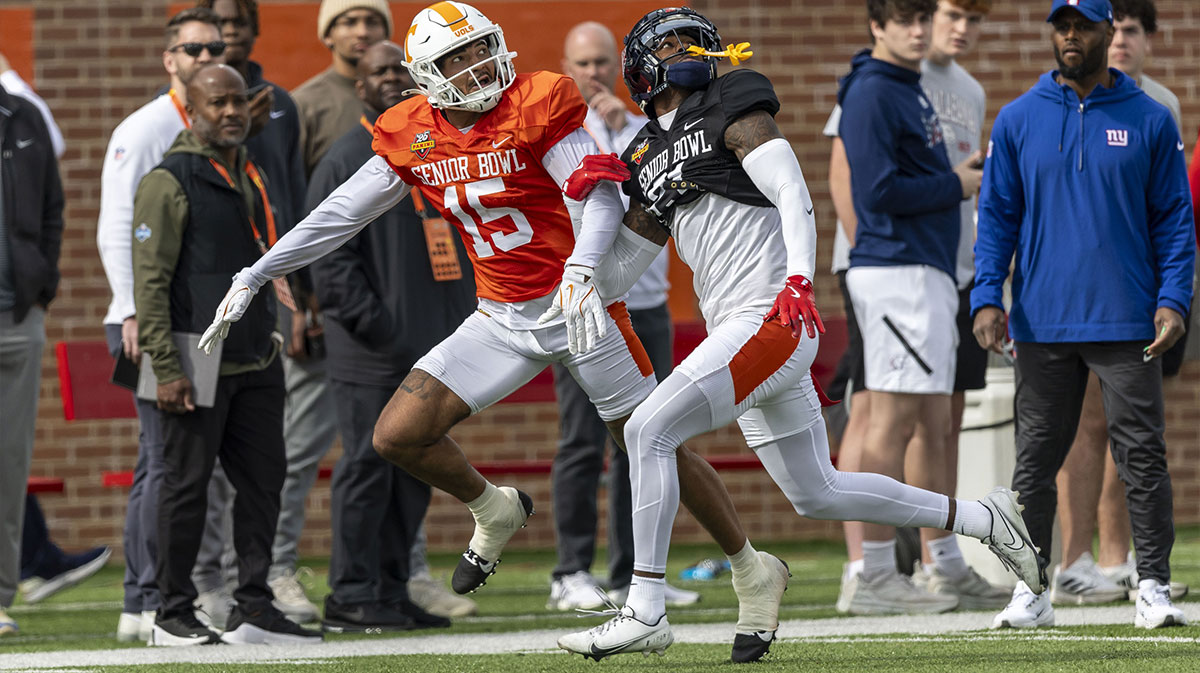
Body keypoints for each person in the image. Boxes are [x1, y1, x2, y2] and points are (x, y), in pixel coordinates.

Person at [199, 2, 787, 663]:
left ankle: (748, 565)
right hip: (501, 315)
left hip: (579, 306)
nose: (478, 65)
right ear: (429, 74)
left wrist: (585, 267)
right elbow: (338, 216)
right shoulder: (412, 132)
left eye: (481, 48)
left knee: (651, 441)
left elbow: (593, 194)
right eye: (458, 58)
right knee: (397, 434)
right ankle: (495, 508)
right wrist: (258, 270)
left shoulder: (536, 101)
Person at [556, 6, 1042, 660]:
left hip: (773, 313)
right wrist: (584, 202)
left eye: (695, 42)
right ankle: (986, 517)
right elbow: (617, 276)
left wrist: (798, 279)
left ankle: (645, 606)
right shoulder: (643, 153)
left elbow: (791, 190)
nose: (686, 52)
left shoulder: (731, 99)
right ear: (641, 66)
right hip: (735, 324)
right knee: (819, 491)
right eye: (670, 44)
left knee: (647, 428)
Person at [973, 0, 1194, 630]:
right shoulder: (1017, 120)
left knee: (1142, 458)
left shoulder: (1150, 119)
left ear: (1108, 32)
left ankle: (1151, 586)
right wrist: (988, 295)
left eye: (1084, 25)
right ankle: (1032, 591)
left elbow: (1175, 223)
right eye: (1061, 24)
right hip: (1041, 322)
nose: (1071, 35)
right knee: (1034, 466)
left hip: (1129, 320)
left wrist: (1174, 301)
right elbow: (997, 220)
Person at [131, 63, 323, 646]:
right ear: (192, 110)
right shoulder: (169, 180)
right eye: (217, 103)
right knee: (184, 487)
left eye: (239, 101)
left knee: (264, 482)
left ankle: (253, 608)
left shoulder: (253, 172)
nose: (232, 111)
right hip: (191, 356)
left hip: (256, 355)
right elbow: (151, 286)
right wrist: (165, 368)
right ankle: (171, 613)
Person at [835, 0, 996, 615]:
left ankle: (924, 567)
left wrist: (956, 177)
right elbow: (875, 193)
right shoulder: (874, 90)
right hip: (895, 271)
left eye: (922, 18)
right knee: (889, 421)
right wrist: (956, 184)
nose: (917, 30)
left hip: (924, 272)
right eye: (904, 19)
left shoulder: (909, 85)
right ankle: (874, 572)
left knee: (924, 420)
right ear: (877, 24)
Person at [308, 40, 474, 633]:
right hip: (372, 354)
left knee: (414, 472)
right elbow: (330, 265)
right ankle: (351, 593)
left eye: (402, 69)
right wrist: (385, 330)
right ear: (360, 85)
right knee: (366, 469)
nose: (393, 79)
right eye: (379, 71)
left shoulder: (436, 151)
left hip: (434, 352)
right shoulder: (349, 157)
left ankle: (391, 587)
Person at [547, 20, 697, 612]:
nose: (593, 73)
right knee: (581, 440)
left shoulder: (646, 127)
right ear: (567, 65)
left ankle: (633, 574)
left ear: (620, 67)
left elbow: (662, 187)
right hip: (583, 305)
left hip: (648, 304)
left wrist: (623, 129)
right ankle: (570, 571)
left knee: (644, 441)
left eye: (603, 62)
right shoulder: (554, 132)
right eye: (582, 63)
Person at [195, 0, 336, 626]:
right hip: (206, 302)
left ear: (252, 29)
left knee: (271, 447)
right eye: (215, 23)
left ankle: (265, 575)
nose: (227, 33)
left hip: (274, 293)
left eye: (236, 22)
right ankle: (204, 582)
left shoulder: (279, 103)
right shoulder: (180, 112)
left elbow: (293, 202)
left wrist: (302, 295)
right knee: (204, 448)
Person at [96, 7, 235, 642]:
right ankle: (145, 598)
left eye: (216, 47)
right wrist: (128, 308)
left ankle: (150, 596)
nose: (207, 57)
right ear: (169, 60)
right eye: (194, 49)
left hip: (199, 320)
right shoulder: (146, 127)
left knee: (174, 465)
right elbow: (119, 227)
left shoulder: (220, 121)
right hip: (150, 320)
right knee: (163, 462)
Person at [1051, 0, 1188, 605]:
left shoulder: (1161, 108)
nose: (1122, 40)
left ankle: (1115, 558)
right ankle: (1076, 559)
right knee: (1082, 423)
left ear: (1145, 38)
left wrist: (1171, 294)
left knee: (1129, 429)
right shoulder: (1050, 103)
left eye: (1132, 30)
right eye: (1117, 28)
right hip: (1073, 297)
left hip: (1141, 295)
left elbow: (1170, 215)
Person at [0, 71, 64, 639]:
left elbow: (52, 208)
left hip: (17, 316)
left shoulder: (23, 116)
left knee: (9, 461)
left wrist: (41, 285)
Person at [293, 0, 392, 175]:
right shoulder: (303, 104)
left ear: (385, 32)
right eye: (350, 22)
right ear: (328, 35)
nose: (362, 32)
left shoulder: (407, 96)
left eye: (372, 22)